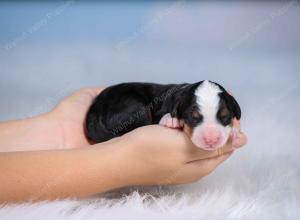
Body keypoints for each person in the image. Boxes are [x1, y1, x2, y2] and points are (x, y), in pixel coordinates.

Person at [0, 88, 247, 203]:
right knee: (144, 113)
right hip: (114, 107)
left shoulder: (184, 101)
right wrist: (122, 160)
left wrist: (60, 129)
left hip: (109, 110)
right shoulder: (176, 101)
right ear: (180, 110)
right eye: (196, 118)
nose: (212, 136)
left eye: (223, 118)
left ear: (232, 112)